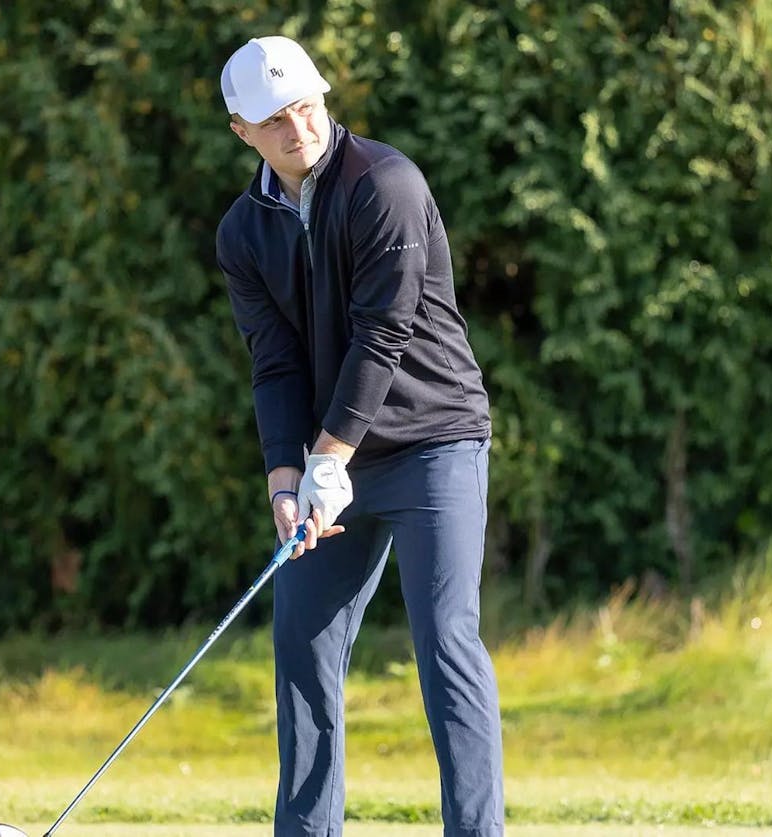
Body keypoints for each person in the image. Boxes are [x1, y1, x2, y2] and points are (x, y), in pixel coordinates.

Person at [215, 35, 505, 837]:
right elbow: (275, 364)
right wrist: (284, 480)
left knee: (445, 641)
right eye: (274, 119)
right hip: (327, 462)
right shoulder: (243, 232)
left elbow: (383, 334)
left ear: (324, 96)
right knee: (301, 644)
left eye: (306, 106)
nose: (298, 127)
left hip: (433, 440)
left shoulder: (385, 183)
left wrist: (327, 458)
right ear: (242, 131)